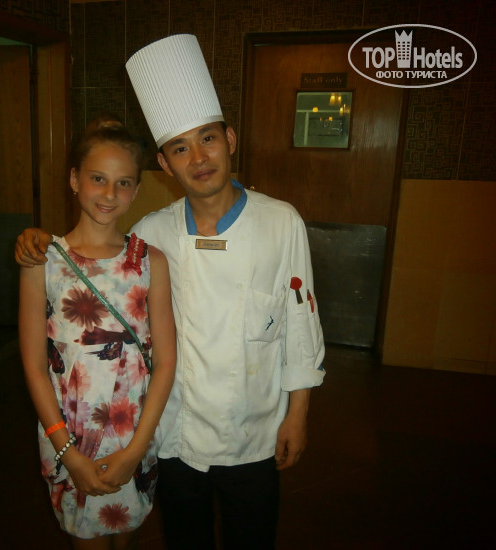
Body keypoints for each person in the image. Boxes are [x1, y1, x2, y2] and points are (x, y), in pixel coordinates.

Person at [16, 35, 325, 550]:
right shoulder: (151, 234)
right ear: (164, 164)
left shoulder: (281, 222)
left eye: (208, 139)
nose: (199, 158)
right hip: (175, 434)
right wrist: (35, 240)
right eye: (181, 148)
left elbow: (300, 321)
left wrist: (298, 413)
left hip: (254, 431)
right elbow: (95, 254)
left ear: (230, 138)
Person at [18, 114, 176, 550]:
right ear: (75, 179)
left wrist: (134, 452)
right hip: (68, 437)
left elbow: (165, 362)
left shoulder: (151, 262)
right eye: (98, 179)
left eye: (123, 183)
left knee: (126, 536)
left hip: (134, 436)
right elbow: (34, 365)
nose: (109, 194)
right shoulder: (43, 261)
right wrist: (68, 453)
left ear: (136, 190)